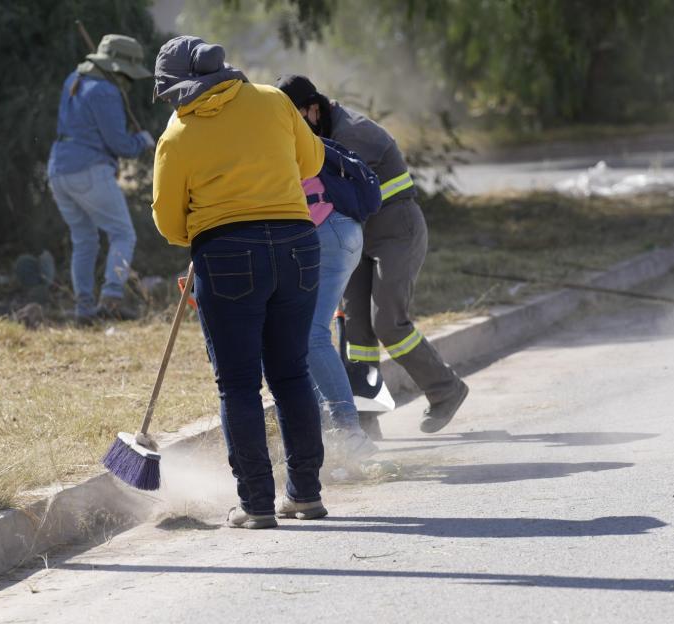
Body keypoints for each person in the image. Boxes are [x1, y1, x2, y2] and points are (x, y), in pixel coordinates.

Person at [151, 36, 327, 529]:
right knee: (292, 373)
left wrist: (207, 234)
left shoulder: (178, 134)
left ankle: (255, 504)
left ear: (181, 86)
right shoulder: (273, 100)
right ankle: (306, 495)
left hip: (227, 256)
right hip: (298, 246)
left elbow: (168, 224)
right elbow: (311, 163)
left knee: (239, 385)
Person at [276, 75, 470, 434]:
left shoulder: (351, 136)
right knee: (356, 329)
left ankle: (446, 389)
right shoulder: (320, 131)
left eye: (295, 116)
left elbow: (332, 188)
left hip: (397, 232)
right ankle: (365, 417)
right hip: (359, 236)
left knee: (388, 323)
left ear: (313, 109)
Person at [47, 34, 156, 323]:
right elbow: (119, 145)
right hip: (89, 169)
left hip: (59, 169)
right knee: (123, 234)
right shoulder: (106, 90)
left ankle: (84, 310)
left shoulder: (74, 78)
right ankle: (111, 300)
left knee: (84, 240)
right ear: (118, 67)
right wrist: (142, 141)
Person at [301, 168, 376, 461]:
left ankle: (348, 434)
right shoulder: (280, 125)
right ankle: (323, 436)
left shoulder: (259, 132)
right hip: (338, 228)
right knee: (297, 335)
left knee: (309, 335)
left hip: (322, 230)